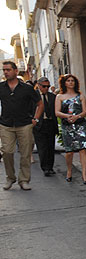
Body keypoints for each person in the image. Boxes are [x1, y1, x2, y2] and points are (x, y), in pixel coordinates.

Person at [0, 61, 43, 190]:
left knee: (25, 153)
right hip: (6, 124)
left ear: (16, 71)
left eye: (8, 70)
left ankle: (24, 180)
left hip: (24, 124)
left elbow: (40, 104)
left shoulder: (27, 88)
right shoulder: (1, 87)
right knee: (7, 152)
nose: (6, 72)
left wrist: (35, 119)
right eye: (4, 70)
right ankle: (10, 178)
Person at [55, 74, 86, 184]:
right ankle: (69, 170)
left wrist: (77, 116)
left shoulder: (80, 96)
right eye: (68, 80)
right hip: (67, 126)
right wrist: (67, 116)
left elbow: (85, 112)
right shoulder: (59, 97)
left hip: (80, 125)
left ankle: (84, 174)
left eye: (72, 81)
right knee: (69, 152)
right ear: (64, 83)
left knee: (82, 149)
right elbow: (57, 112)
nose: (71, 82)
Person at [33, 77, 58, 176]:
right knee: (42, 147)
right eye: (44, 86)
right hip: (39, 124)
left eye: (48, 86)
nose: (46, 88)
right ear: (39, 85)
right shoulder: (33, 96)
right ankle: (45, 168)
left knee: (50, 147)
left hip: (50, 123)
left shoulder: (52, 97)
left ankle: (50, 167)